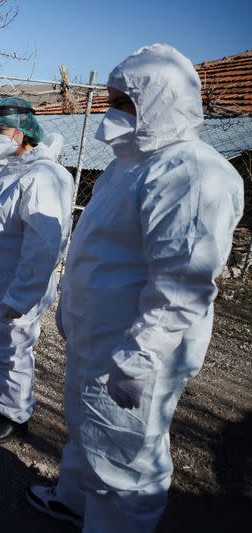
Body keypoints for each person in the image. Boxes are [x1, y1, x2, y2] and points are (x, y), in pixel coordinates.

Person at [26, 44, 244, 532]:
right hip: (100, 336)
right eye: (110, 99)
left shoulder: (191, 173)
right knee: (88, 429)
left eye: (123, 101)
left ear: (160, 101)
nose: (110, 112)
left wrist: (142, 356)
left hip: (134, 348)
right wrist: (71, 307)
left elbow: (182, 282)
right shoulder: (130, 163)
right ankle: (75, 501)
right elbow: (102, 250)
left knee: (126, 457)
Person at [0, 97, 73, 443]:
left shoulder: (45, 176)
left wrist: (20, 296)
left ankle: (14, 413)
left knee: (12, 351)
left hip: (15, 287)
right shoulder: (1, 168)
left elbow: (43, 246)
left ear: (25, 132)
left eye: (2, 128)